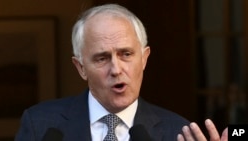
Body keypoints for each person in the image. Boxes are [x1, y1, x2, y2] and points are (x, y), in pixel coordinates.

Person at [15, 4, 227, 141]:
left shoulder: (179, 131)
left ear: (144, 58)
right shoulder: (40, 125)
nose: (116, 70)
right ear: (81, 68)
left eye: (126, 54)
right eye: (102, 58)